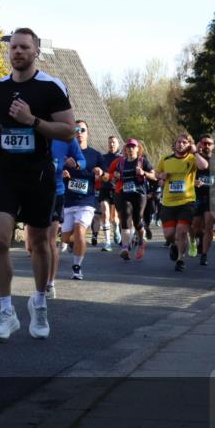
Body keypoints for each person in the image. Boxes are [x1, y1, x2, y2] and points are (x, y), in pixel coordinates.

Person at [0, 28, 75, 341]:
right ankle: (6, 312)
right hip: (5, 173)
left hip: (39, 175)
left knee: (39, 242)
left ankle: (40, 302)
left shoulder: (50, 88)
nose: (17, 52)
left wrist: (32, 120)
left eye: (24, 47)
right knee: (1, 240)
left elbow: (68, 131)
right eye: (14, 47)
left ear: (35, 52)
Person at [155, 133, 208, 272]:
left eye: (184, 142)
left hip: (186, 202)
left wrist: (195, 151)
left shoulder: (192, 159)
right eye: (178, 142)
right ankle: (174, 245)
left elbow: (204, 166)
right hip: (168, 202)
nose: (180, 144)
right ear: (175, 144)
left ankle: (180, 259)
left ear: (189, 144)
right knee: (169, 234)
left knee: (181, 232)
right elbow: (156, 174)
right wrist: (161, 175)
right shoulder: (165, 159)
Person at [42, 135, 86, 297]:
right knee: (33, 244)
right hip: (34, 190)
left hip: (56, 192)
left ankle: (49, 284)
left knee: (50, 240)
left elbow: (81, 160)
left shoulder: (65, 137)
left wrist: (76, 164)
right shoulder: (34, 130)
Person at [60, 120, 104, 279]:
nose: (79, 132)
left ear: (87, 133)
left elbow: (107, 176)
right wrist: (62, 173)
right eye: (76, 129)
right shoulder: (65, 153)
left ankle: (77, 267)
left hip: (87, 201)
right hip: (69, 200)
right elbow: (54, 170)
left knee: (79, 230)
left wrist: (100, 172)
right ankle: (76, 243)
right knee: (66, 237)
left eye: (82, 129)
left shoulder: (96, 155)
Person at [108, 138, 155, 261]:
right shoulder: (121, 163)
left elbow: (154, 176)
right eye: (128, 147)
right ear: (125, 149)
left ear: (138, 148)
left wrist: (143, 173)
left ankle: (141, 240)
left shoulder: (142, 161)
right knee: (125, 217)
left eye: (133, 147)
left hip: (139, 195)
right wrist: (115, 178)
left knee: (137, 220)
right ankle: (125, 247)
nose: (130, 149)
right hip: (125, 194)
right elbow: (114, 180)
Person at [191, 134, 215, 266]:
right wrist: (193, 181)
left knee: (209, 226)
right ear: (200, 144)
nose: (207, 146)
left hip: (212, 196)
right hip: (196, 196)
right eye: (204, 143)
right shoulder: (193, 159)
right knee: (195, 226)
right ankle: (199, 238)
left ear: (213, 146)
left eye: (209, 143)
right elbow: (185, 176)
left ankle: (204, 255)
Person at [94, 135, 121, 250]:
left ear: (118, 144)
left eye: (114, 142)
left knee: (114, 218)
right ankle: (107, 243)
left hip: (117, 189)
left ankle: (116, 229)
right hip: (104, 188)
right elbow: (98, 174)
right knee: (105, 213)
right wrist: (98, 176)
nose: (112, 144)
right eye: (110, 142)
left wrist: (118, 176)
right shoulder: (103, 158)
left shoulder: (122, 159)